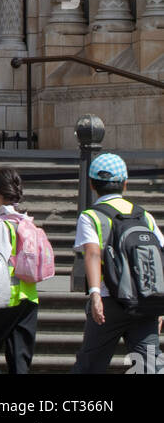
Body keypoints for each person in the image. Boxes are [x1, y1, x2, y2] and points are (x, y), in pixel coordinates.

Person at [71, 152, 164, 375]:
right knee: (151, 365)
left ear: (92, 184)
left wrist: (94, 294)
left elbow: (92, 254)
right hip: (145, 301)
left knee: (90, 364)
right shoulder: (144, 216)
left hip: (108, 301)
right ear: (125, 184)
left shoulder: (91, 216)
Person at [0, 166, 39, 374]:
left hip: (6, 299)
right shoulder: (25, 220)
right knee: (19, 359)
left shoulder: (1, 224)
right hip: (29, 296)